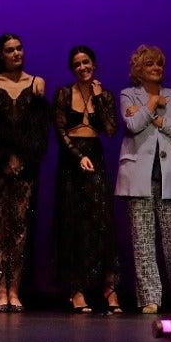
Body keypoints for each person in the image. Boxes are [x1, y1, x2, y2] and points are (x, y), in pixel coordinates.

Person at [115, 44, 171, 315]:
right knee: (143, 239)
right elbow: (131, 125)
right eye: (150, 64)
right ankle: (150, 298)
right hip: (138, 175)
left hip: (170, 174)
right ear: (138, 71)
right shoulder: (128, 94)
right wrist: (152, 104)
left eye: (159, 64)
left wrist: (151, 118)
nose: (156, 68)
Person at [0, 33, 49, 311]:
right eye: (10, 50)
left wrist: (23, 160)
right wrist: (3, 159)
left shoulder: (36, 83)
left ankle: (15, 290)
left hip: (26, 169)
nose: (16, 53)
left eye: (19, 48)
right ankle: (0, 290)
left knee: (20, 230)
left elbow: (40, 130)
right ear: (0, 55)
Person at [52, 44, 123, 314]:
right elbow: (59, 130)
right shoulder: (63, 93)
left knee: (101, 221)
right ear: (73, 68)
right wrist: (76, 155)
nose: (82, 67)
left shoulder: (103, 94)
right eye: (77, 64)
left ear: (94, 64)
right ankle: (77, 289)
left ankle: (109, 287)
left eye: (86, 63)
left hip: (96, 157)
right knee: (72, 223)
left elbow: (111, 130)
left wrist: (100, 100)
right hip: (72, 160)